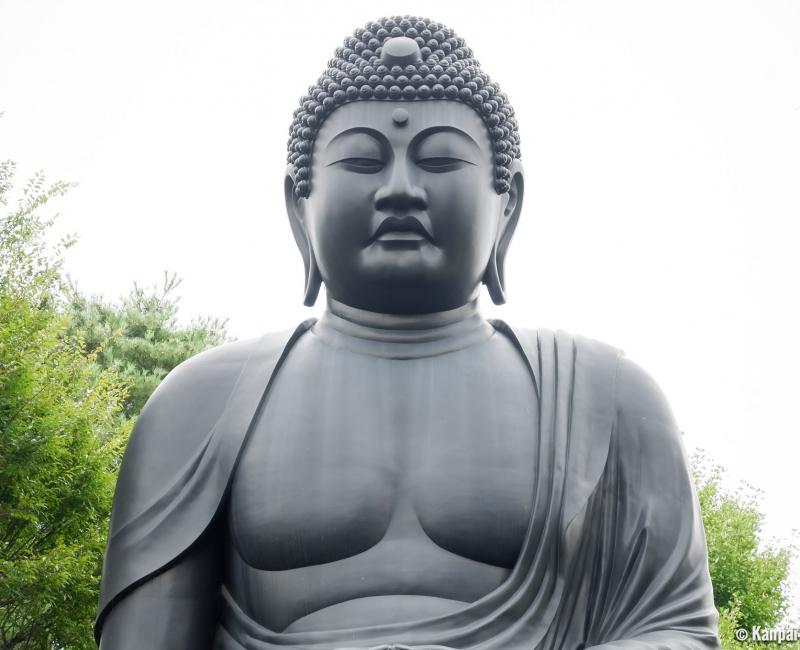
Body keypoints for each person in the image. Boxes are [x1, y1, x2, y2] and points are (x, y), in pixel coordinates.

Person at [95, 15, 721, 649]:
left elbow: (677, 632)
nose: (400, 190)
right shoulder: (199, 404)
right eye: (362, 161)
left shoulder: (608, 396)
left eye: (442, 159)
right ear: (297, 207)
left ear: (508, 205)